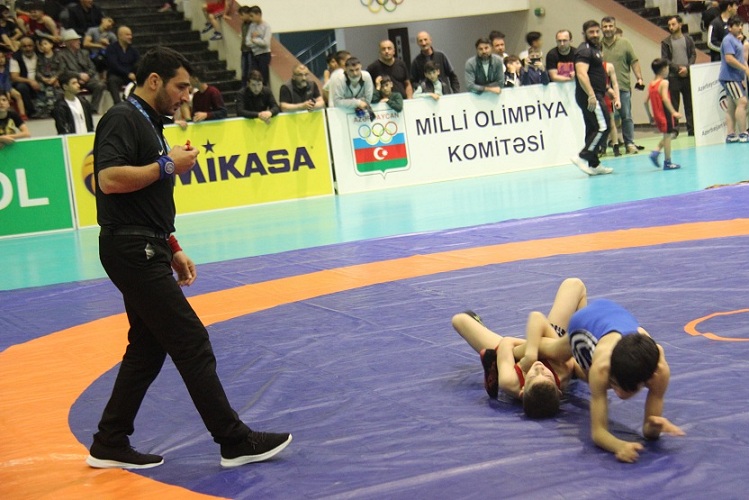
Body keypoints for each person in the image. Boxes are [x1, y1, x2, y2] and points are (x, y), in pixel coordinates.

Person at [88, 46, 291, 470]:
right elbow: (107, 180)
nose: (186, 95)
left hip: (147, 243)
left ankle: (110, 439)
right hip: (132, 248)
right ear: (154, 81)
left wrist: (173, 247)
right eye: (181, 87)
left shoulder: (148, 122)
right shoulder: (123, 118)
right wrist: (167, 165)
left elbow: (145, 199)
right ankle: (233, 440)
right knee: (191, 340)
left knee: (148, 348)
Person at [527, 297, 685, 463]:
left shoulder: (659, 373)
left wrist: (654, 427)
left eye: (626, 389)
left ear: (647, 379)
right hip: (586, 322)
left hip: (615, 315)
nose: (618, 393)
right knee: (555, 353)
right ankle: (517, 347)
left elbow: (649, 432)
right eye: (614, 384)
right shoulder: (602, 367)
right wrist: (618, 446)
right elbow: (598, 432)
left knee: (585, 374)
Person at [452, 278, 588, 418]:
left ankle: (496, 363)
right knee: (575, 284)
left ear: (522, 391)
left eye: (533, 375)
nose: (539, 368)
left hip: (512, 354)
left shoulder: (509, 382)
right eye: (547, 375)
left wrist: (527, 353)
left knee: (459, 320)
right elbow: (538, 320)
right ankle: (501, 361)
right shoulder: (563, 370)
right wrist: (532, 351)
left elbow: (506, 342)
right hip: (551, 342)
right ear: (558, 390)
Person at [571, 20, 614, 176]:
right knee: (604, 127)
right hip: (590, 96)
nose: (595, 35)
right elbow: (581, 74)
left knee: (593, 129)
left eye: (597, 31)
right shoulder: (584, 50)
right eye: (591, 32)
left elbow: (596, 73)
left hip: (597, 93)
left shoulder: (596, 49)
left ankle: (594, 164)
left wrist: (607, 89)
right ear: (584, 34)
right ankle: (582, 156)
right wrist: (591, 94)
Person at [601, 16, 645, 155]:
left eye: (610, 26)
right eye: (605, 26)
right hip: (603, 90)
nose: (608, 29)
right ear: (602, 28)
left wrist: (639, 78)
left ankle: (629, 144)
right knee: (604, 118)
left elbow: (634, 61)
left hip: (623, 86)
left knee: (626, 116)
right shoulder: (598, 45)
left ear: (615, 27)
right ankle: (603, 146)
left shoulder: (625, 43)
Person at [661, 15, 696, 137]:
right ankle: (674, 129)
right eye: (669, 25)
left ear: (680, 24)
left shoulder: (688, 40)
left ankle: (691, 129)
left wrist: (687, 68)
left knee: (689, 104)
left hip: (687, 76)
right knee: (674, 105)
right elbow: (665, 59)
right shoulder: (666, 42)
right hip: (673, 76)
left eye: (673, 24)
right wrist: (678, 68)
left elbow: (693, 55)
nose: (671, 27)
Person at [645, 59, 682, 170]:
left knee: (668, 135)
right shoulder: (664, 83)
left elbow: (645, 102)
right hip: (665, 114)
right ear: (663, 69)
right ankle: (667, 161)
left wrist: (650, 116)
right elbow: (665, 99)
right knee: (668, 136)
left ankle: (656, 152)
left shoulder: (651, 84)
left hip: (657, 115)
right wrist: (673, 112)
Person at [57, 28, 105, 113]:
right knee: (69, 87)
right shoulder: (61, 55)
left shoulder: (84, 53)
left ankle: (93, 109)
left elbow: (92, 68)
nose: (79, 42)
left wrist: (87, 76)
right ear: (70, 42)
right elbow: (63, 71)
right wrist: (78, 76)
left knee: (100, 85)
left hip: (87, 79)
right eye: (76, 40)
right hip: (71, 80)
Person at [718, 16, 749, 142]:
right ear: (730, 28)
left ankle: (731, 134)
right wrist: (744, 68)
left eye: (741, 25)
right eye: (737, 25)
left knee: (731, 106)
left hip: (736, 77)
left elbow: (741, 58)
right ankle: (743, 133)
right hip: (730, 77)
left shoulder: (736, 40)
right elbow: (729, 59)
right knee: (742, 102)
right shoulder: (728, 40)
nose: (740, 28)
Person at [105, 25, 139, 104]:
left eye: (130, 35)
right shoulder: (111, 48)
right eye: (127, 35)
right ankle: (118, 104)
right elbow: (114, 65)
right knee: (112, 80)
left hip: (131, 76)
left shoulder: (133, 50)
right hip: (117, 75)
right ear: (120, 36)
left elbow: (138, 63)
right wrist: (127, 73)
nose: (130, 37)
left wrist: (134, 74)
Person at [9, 36, 39, 118]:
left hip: (40, 79)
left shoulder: (39, 54)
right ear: (20, 47)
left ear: (34, 46)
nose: (28, 48)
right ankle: (32, 111)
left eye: (30, 46)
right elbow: (14, 77)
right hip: (25, 82)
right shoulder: (15, 58)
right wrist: (30, 81)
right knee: (21, 87)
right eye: (24, 46)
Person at [242, 5, 271, 85]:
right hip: (254, 54)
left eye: (252, 16)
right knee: (254, 76)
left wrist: (254, 39)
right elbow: (247, 41)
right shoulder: (252, 26)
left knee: (263, 78)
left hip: (264, 55)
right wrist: (256, 41)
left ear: (258, 14)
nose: (250, 18)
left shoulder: (266, 26)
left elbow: (265, 43)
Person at [34, 37, 63, 117]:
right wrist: (43, 79)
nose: (44, 46)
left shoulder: (58, 56)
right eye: (41, 45)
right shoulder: (39, 58)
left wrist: (55, 78)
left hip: (55, 78)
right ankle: (40, 109)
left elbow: (62, 69)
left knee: (52, 89)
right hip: (44, 79)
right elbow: (37, 71)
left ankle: (51, 109)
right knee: (41, 88)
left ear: (51, 45)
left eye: (45, 44)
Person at [0, 51, 27, 120]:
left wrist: (7, 91)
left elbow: (8, 81)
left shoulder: (7, 67)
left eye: (2, 57)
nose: (1, 60)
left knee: (18, 95)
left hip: (7, 87)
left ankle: (22, 114)